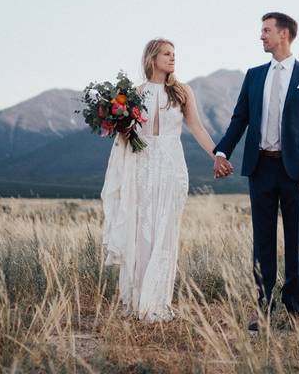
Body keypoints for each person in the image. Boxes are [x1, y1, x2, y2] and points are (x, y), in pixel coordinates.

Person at [100, 38, 233, 322]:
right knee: (141, 230)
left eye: (174, 54)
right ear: (152, 58)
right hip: (142, 166)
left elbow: (196, 126)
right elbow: (127, 135)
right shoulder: (133, 94)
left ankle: (157, 300)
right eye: (166, 54)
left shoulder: (182, 92)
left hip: (172, 166)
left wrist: (217, 155)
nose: (172, 58)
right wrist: (122, 127)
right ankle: (137, 300)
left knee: (165, 232)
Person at [213, 12, 299, 332]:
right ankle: (263, 308)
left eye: (266, 30)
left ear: (284, 34)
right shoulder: (253, 76)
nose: (261, 36)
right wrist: (222, 151)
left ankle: (294, 311)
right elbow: (239, 120)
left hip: (295, 171)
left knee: (295, 241)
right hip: (260, 167)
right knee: (262, 241)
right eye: (261, 30)